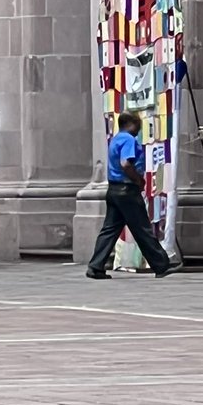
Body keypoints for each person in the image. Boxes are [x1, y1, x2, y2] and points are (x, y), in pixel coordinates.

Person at [86, 112, 180, 280]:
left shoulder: (115, 139)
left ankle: (95, 266)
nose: (139, 129)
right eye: (138, 125)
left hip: (113, 190)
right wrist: (139, 180)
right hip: (127, 191)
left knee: (109, 229)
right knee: (142, 228)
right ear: (131, 124)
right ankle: (161, 265)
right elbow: (125, 163)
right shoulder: (129, 140)